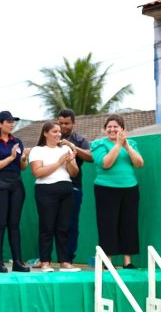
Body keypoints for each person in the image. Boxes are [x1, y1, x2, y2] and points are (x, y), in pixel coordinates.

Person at [90, 114, 144, 268]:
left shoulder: (131, 143)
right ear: (104, 129)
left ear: (123, 129)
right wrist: (118, 145)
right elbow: (106, 163)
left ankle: (128, 262)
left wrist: (127, 146)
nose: (112, 129)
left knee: (129, 223)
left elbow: (139, 163)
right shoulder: (98, 144)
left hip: (130, 189)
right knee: (108, 224)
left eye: (116, 127)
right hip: (106, 189)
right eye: (109, 127)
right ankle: (107, 262)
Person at [0, 110, 31, 273]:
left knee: (14, 225)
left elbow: (22, 167)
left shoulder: (16, 141)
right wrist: (10, 158)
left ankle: (17, 261)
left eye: (13, 122)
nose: (12, 124)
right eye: (8, 121)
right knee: (0, 223)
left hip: (16, 185)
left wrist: (23, 158)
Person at [29, 122, 80, 272]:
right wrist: (59, 162)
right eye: (54, 131)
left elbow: (74, 172)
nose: (58, 134)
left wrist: (70, 162)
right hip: (45, 190)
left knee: (64, 227)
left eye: (59, 132)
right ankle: (45, 262)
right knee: (47, 227)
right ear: (45, 133)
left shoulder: (66, 148)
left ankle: (65, 262)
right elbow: (37, 172)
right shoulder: (37, 150)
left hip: (66, 189)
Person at [56, 109, 93, 264]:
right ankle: (45, 258)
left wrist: (72, 147)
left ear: (73, 123)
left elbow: (91, 157)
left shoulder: (79, 139)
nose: (63, 126)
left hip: (73, 187)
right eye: (61, 123)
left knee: (71, 224)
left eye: (67, 123)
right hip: (52, 185)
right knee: (50, 223)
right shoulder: (52, 135)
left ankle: (68, 258)